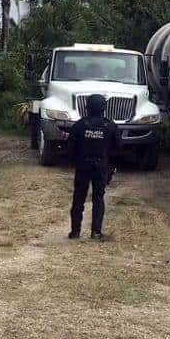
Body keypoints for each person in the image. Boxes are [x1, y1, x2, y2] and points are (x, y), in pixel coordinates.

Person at [67, 94, 119, 240]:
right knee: (98, 198)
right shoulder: (110, 126)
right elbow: (117, 148)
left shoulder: (79, 125)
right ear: (104, 108)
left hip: (83, 165)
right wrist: (110, 166)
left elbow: (70, 148)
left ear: (87, 107)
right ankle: (96, 232)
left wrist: (76, 162)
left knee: (78, 198)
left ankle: (75, 232)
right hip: (101, 166)